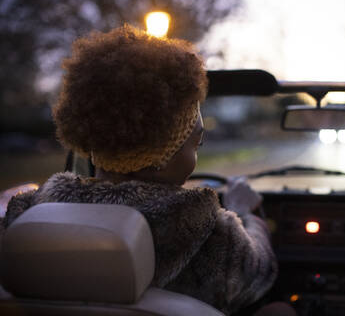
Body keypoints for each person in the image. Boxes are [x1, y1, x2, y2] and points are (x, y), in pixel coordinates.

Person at [1, 24, 294, 315]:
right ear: (165, 154)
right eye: (196, 144)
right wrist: (247, 214)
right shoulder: (204, 229)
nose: (195, 157)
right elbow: (261, 273)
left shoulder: (28, 215)